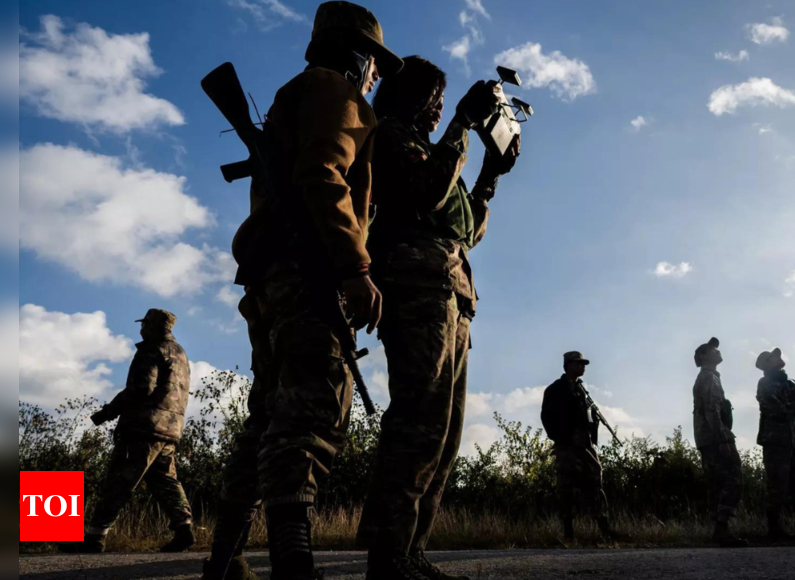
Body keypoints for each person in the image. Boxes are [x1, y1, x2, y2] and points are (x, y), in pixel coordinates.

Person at [202, 3, 403, 579]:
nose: (374, 77)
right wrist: (356, 268)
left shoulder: (300, 93)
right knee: (310, 411)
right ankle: (294, 561)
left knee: (267, 415)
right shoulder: (335, 93)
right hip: (308, 271)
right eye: (374, 65)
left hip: (273, 276)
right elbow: (323, 176)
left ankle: (225, 558)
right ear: (358, 55)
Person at [356, 55, 520, 580]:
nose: (440, 109)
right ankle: (388, 555)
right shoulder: (389, 138)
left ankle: (411, 551)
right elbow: (427, 190)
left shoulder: (430, 149)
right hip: (414, 287)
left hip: (451, 295)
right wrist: (462, 126)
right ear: (413, 98)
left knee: (444, 432)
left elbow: (465, 228)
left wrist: (491, 171)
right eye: (436, 100)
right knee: (418, 419)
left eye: (445, 104)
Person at [60, 309, 193, 554]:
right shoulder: (180, 354)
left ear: (151, 326)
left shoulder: (150, 349)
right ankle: (184, 530)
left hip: (143, 427)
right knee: (166, 481)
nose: (141, 329)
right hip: (170, 429)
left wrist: (107, 412)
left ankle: (95, 538)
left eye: (144, 325)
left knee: (118, 481)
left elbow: (141, 388)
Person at [540, 352, 617, 542]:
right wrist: (561, 439)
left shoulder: (581, 390)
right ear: (568, 365)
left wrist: (591, 429)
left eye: (583, 364)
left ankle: (604, 529)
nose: (583, 367)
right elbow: (547, 417)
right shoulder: (556, 389)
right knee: (566, 487)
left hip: (584, 443)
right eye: (579, 363)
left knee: (595, 480)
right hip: (567, 445)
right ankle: (568, 534)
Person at [755, 348, 795, 541]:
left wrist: (788, 406)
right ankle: (774, 529)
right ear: (767, 363)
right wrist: (791, 407)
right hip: (775, 442)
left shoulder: (788, 384)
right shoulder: (764, 383)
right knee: (777, 486)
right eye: (775, 357)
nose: (780, 359)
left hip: (792, 441)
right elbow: (774, 408)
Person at [692, 338, 748, 548]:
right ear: (703, 357)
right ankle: (722, 528)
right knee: (734, 477)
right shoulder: (708, 378)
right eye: (712, 349)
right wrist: (723, 438)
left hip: (708, 438)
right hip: (716, 437)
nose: (717, 351)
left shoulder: (709, 377)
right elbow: (711, 410)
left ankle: (719, 530)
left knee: (716, 483)